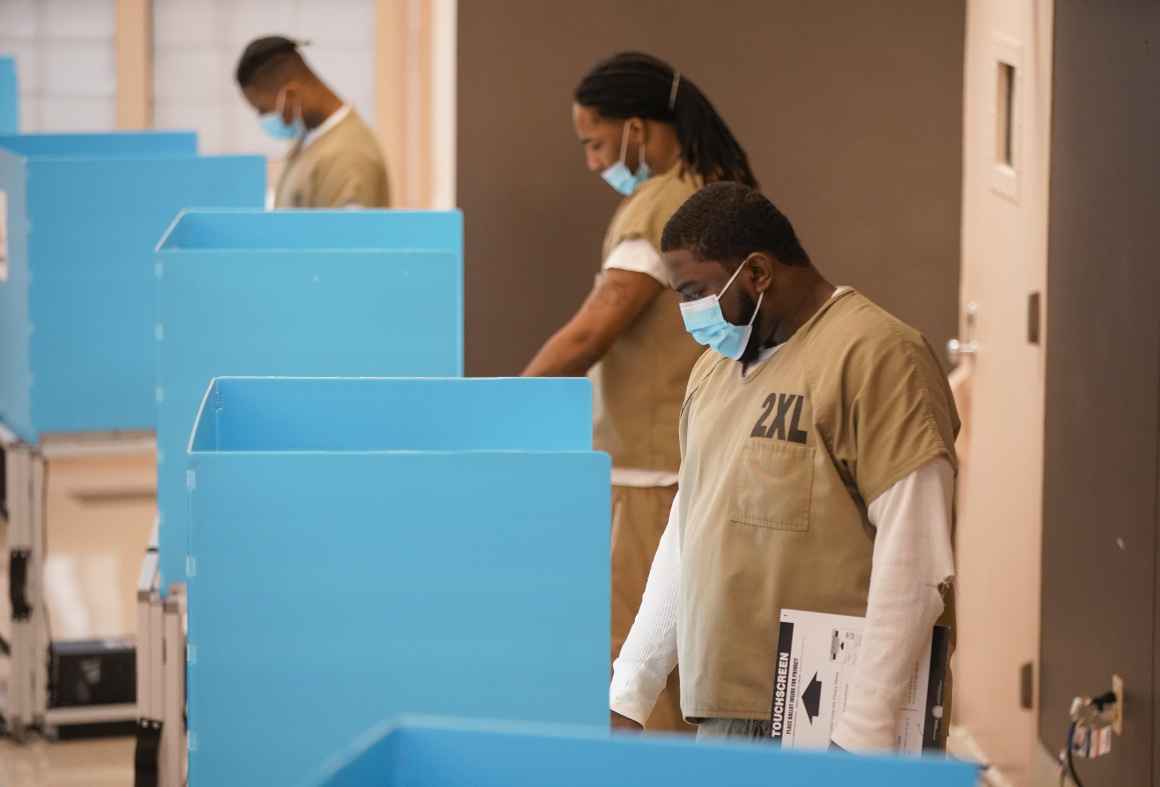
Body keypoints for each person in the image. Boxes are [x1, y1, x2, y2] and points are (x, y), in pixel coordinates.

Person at [610, 182, 960, 752]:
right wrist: (630, 690)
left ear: (757, 274)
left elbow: (915, 561)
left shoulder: (877, 357)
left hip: (837, 721)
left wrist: (862, 736)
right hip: (728, 716)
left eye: (695, 291)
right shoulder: (714, 373)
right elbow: (687, 537)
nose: (687, 313)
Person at [521, 53, 757, 733]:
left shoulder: (657, 205)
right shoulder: (717, 186)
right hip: (700, 459)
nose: (594, 163)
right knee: (687, 666)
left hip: (652, 477)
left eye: (595, 143)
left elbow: (590, 332)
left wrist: (500, 410)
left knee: (640, 674)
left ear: (636, 129)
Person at [235, 36, 389, 209]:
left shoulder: (349, 155)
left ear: (290, 96)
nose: (263, 118)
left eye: (263, 109)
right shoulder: (309, 140)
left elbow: (348, 234)